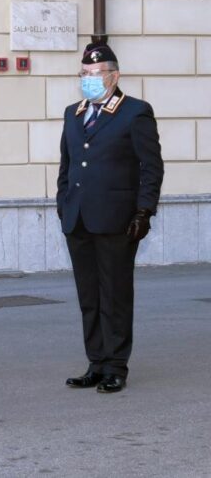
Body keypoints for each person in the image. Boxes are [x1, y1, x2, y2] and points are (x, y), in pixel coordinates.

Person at [58, 40, 163, 394]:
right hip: (78, 219)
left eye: (96, 73)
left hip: (118, 220)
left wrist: (144, 210)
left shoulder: (135, 112)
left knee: (115, 294)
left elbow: (151, 166)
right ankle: (96, 362)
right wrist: (63, 203)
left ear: (114, 76)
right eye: (84, 74)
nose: (89, 79)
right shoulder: (73, 112)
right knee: (89, 295)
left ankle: (116, 365)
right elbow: (67, 165)